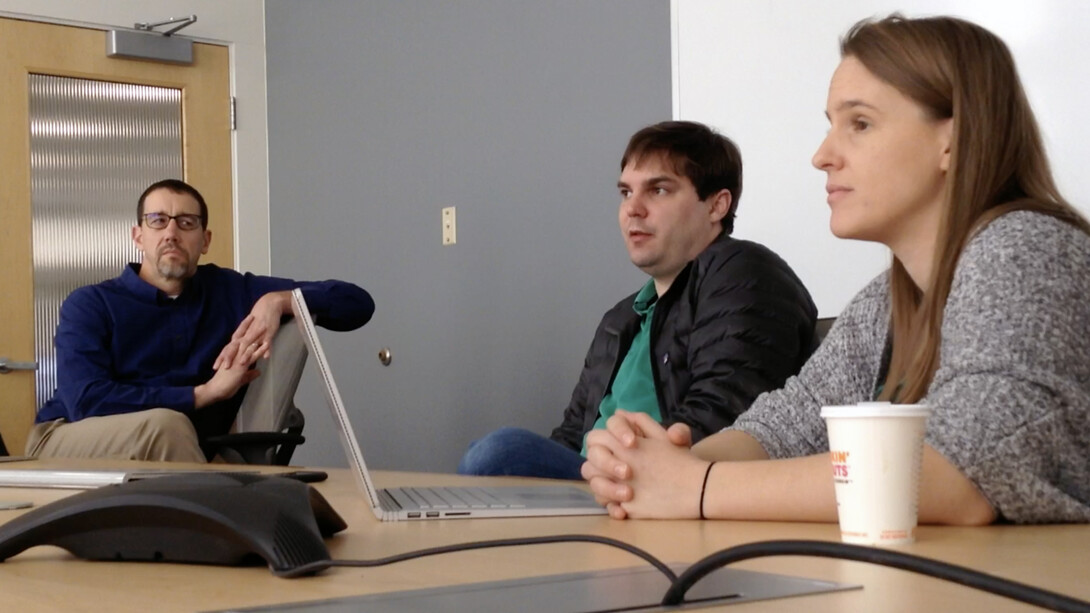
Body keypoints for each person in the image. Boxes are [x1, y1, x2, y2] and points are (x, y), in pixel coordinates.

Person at [583, 15, 1090, 525]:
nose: (822, 155)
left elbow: (964, 477)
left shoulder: (1027, 249)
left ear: (952, 142)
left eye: (860, 123)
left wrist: (697, 486)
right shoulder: (888, 300)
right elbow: (783, 428)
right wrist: (655, 468)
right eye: (831, 124)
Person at [458, 121, 818, 479]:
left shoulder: (742, 272)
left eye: (658, 190)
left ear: (716, 206)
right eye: (626, 193)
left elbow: (722, 419)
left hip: (659, 482)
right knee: (481, 462)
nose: (633, 209)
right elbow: (572, 437)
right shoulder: (619, 319)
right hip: (595, 482)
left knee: (499, 453)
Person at [26, 179, 375, 462]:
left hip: (176, 450)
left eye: (187, 223)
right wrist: (202, 394)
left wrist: (281, 300)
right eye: (158, 220)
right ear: (138, 237)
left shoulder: (232, 290)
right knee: (167, 426)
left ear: (205, 240)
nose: (171, 233)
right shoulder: (90, 304)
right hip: (65, 435)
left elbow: (357, 304)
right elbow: (86, 401)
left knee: (172, 431)